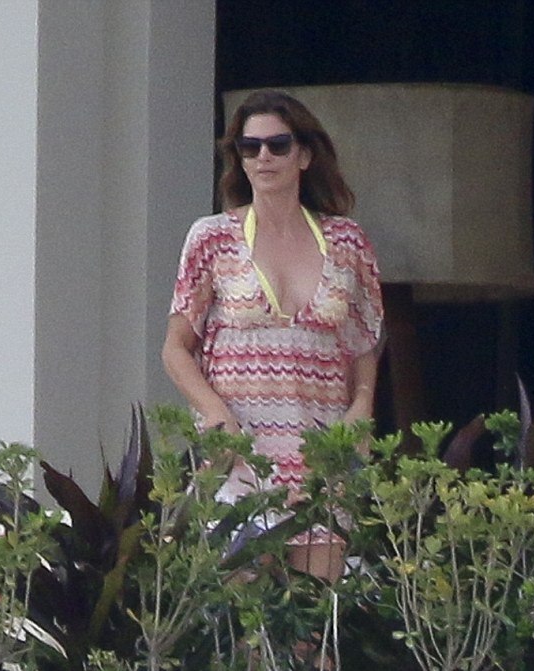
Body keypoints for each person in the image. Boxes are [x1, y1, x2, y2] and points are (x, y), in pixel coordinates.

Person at [162, 89, 383, 508]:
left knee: (322, 553)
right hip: (238, 454)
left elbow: (363, 345)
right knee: (237, 549)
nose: (263, 156)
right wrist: (214, 412)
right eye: (250, 147)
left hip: (322, 457)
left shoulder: (347, 242)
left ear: (304, 155)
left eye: (278, 145)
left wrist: (362, 405)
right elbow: (176, 348)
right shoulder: (212, 238)